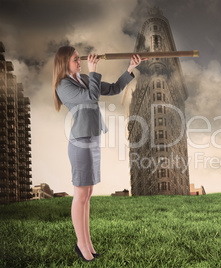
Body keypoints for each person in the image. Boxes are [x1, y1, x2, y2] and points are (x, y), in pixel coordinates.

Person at [52, 46, 146, 262]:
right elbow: (92, 97)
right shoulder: (63, 85)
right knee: (80, 195)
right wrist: (94, 70)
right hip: (80, 142)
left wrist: (130, 68)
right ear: (64, 62)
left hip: (93, 138)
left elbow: (112, 89)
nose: (80, 61)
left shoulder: (83, 78)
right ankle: (81, 245)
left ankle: (87, 243)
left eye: (79, 58)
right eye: (76, 59)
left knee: (88, 194)